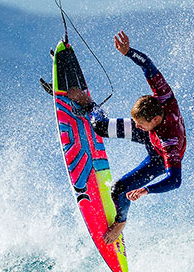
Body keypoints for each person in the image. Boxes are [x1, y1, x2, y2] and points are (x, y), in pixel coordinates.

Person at [67, 31, 186, 245]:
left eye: (140, 123)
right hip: (152, 134)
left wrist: (145, 190)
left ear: (156, 119)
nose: (136, 127)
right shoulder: (163, 96)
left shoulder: (170, 144)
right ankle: (90, 106)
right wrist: (128, 52)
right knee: (101, 127)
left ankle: (121, 222)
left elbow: (175, 180)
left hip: (158, 155)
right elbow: (148, 65)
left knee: (119, 189)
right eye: (136, 122)